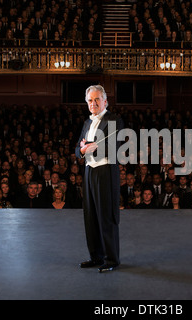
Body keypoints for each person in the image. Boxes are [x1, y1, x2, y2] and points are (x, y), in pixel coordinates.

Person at [75, 85, 124, 273]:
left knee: (106, 216)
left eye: (97, 99)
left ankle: (112, 259)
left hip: (105, 171)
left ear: (105, 101)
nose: (93, 103)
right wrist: (82, 150)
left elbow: (114, 146)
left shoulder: (114, 119)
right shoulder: (87, 123)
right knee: (91, 216)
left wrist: (90, 147)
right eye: (90, 100)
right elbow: (77, 148)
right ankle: (96, 257)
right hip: (89, 171)